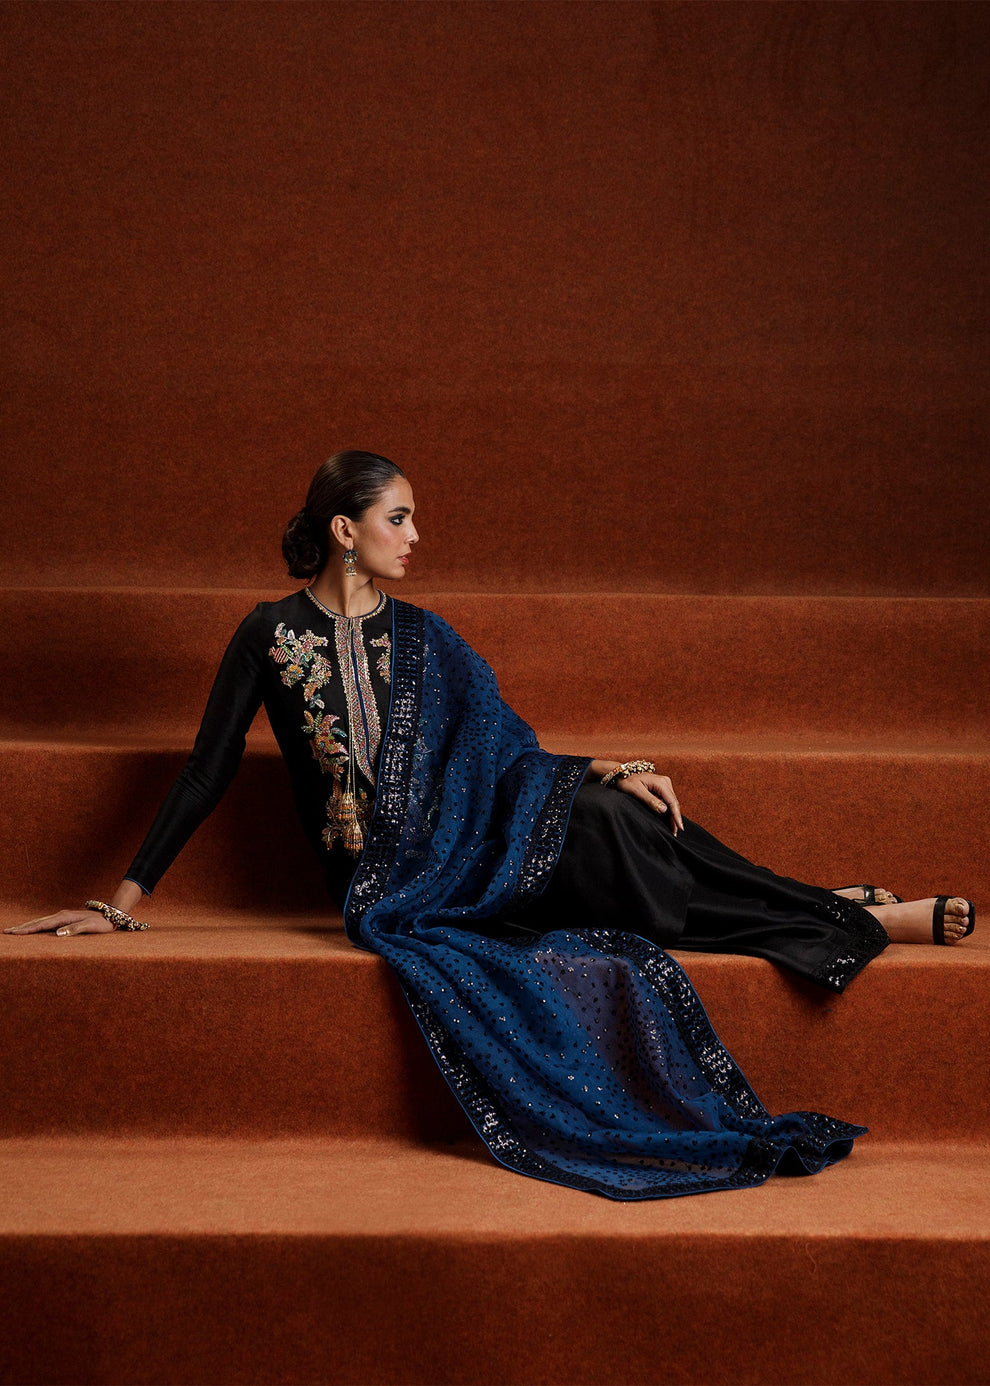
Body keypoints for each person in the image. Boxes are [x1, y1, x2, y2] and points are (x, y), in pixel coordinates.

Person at [6, 451, 975, 1201]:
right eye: (398, 517)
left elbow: (508, 754)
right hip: (392, 883)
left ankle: (834, 910)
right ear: (345, 529)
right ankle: (838, 911)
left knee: (615, 816)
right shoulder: (269, 634)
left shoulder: (425, 635)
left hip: (474, 838)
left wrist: (610, 765)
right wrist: (119, 900)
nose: (415, 536)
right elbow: (206, 770)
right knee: (617, 858)